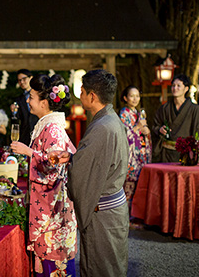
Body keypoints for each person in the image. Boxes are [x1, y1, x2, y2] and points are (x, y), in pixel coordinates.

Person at [49, 69, 129, 277]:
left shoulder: (102, 127)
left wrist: (72, 164)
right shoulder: (110, 120)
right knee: (110, 267)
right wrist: (72, 156)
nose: (80, 94)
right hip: (113, 209)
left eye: (82, 90)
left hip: (103, 212)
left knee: (100, 269)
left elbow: (81, 174)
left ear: (92, 95)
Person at [10, 74, 77, 276]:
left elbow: (54, 166)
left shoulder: (53, 129)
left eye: (31, 97)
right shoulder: (47, 126)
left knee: (53, 261)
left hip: (54, 210)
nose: (28, 101)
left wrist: (29, 152)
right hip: (50, 206)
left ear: (45, 102)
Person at [152, 74, 199, 163]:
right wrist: (160, 130)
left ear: (186, 89)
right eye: (173, 85)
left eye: (178, 86)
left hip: (186, 154)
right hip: (166, 153)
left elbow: (197, 131)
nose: (175, 88)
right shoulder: (165, 108)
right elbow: (155, 125)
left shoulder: (195, 109)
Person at [119, 85, 151, 209]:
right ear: (126, 98)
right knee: (129, 185)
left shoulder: (138, 113)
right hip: (131, 157)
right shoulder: (124, 114)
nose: (135, 99)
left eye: (137, 96)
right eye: (132, 96)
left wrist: (146, 132)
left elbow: (143, 132)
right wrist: (137, 127)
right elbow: (123, 135)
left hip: (140, 154)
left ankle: (136, 215)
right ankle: (127, 217)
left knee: (140, 185)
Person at [10, 69, 39, 146]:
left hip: (39, 131)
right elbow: (16, 122)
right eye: (19, 80)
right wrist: (14, 113)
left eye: (24, 79)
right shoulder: (18, 100)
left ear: (31, 78)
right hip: (25, 135)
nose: (22, 82)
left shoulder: (39, 94)